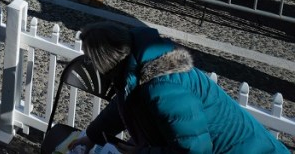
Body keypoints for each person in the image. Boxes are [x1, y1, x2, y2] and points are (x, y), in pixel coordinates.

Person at [77, 21, 287, 153]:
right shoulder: (137, 64)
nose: (89, 65)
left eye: (90, 60)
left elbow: (194, 150)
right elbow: (122, 105)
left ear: (107, 63)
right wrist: (92, 136)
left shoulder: (163, 87)